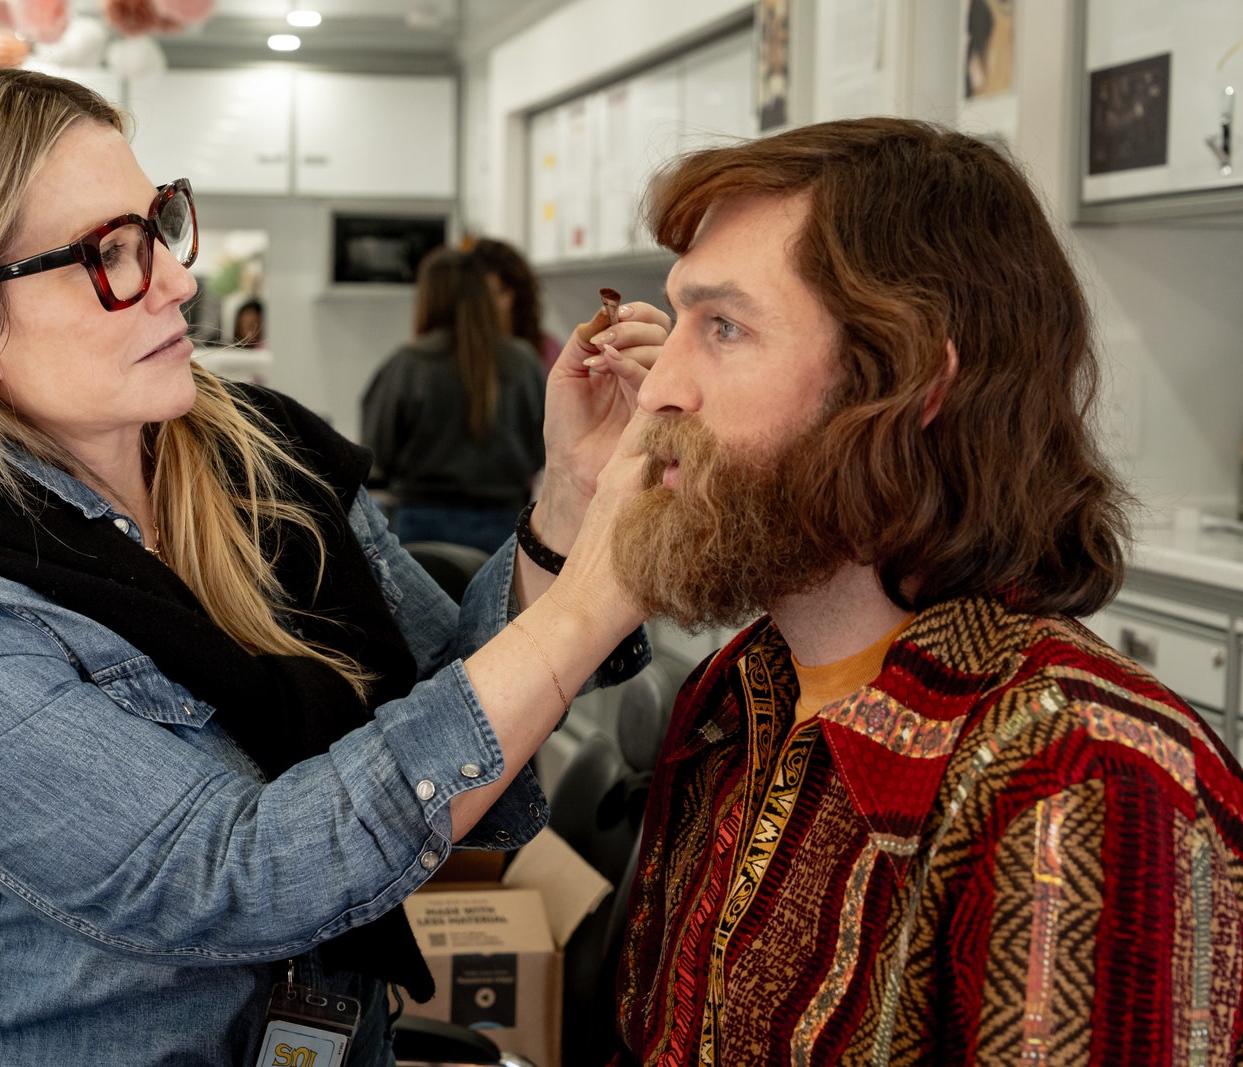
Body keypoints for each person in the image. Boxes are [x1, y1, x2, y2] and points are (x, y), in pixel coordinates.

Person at [0, 68, 672, 1067]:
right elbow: (246, 876)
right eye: (111, 255)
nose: (181, 279)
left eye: (158, 223)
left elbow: (464, 723)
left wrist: (570, 492)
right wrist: (593, 600)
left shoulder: (270, 459)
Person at [607, 117, 1243, 1063]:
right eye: (679, 321)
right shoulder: (734, 694)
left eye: (725, 327)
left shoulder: (1083, 775)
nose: (658, 385)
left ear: (911, 383)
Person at [360, 247, 548, 554]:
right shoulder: (523, 362)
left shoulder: (407, 364)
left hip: (420, 530)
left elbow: (376, 452)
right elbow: (544, 445)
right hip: (505, 528)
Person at [470, 236, 563, 373]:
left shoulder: (547, 351)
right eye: (484, 295)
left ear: (518, 294)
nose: (490, 304)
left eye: (499, 292)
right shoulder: (465, 354)